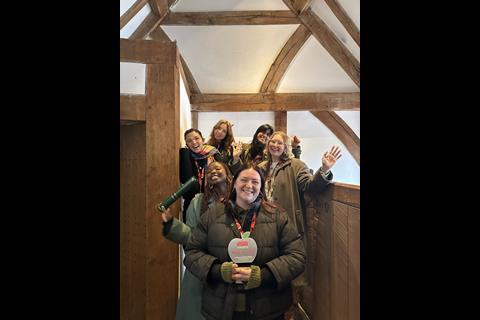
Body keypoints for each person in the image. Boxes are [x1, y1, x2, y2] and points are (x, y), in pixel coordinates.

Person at [184, 166, 306, 320]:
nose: (249, 186)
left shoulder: (278, 216)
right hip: (221, 309)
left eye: (255, 182)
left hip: (269, 309)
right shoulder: (212, 215)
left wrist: (262, 275)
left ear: (261, 187)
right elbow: (192, 253)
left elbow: (297, 256)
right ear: (234, 183)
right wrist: (219, 270)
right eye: (244, 180)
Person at [257, 131, 342, 287]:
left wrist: (324, 169)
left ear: (286, 147)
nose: (275, 145)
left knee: (289, 267)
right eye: (272, 142)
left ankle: (292, 305)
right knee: (268, 265)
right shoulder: (261, 167)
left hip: (288, 223)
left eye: (279, 143)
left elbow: (309, 187)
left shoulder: (295, 165)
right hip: (264, 223)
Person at [160, 161, 234, 320]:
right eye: (209, 171)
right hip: (202, 268)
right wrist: (171, 224)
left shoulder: (239, 200)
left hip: (229, 268)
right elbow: (192, 236)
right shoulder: (198, 202)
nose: (213, 171)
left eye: (218, 168)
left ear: (229, 175)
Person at [180, 128, 219, 222]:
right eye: (189, 141)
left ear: (203, 139)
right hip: (191, 204)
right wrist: (184, 153)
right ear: (186, 145)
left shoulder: (214, 155)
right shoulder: (186, 157)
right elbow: (189, 184)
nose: (194, 142)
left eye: (196, 138)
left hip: (213, 203)